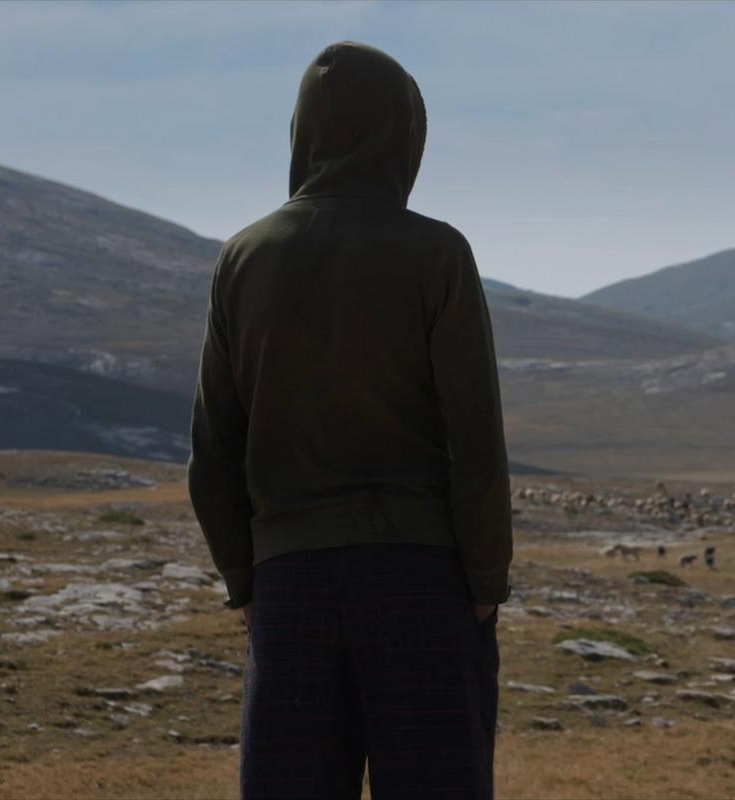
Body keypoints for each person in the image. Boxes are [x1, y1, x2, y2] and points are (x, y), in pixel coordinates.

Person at [188, 42, 512, 800]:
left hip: (289, 586)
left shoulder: (244, 257)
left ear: (303, 130)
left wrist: (244, 579)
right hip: (422, 582)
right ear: (405, 133)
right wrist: (485, 579)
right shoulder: (435, 253)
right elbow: (476, 440)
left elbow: (213, 448)